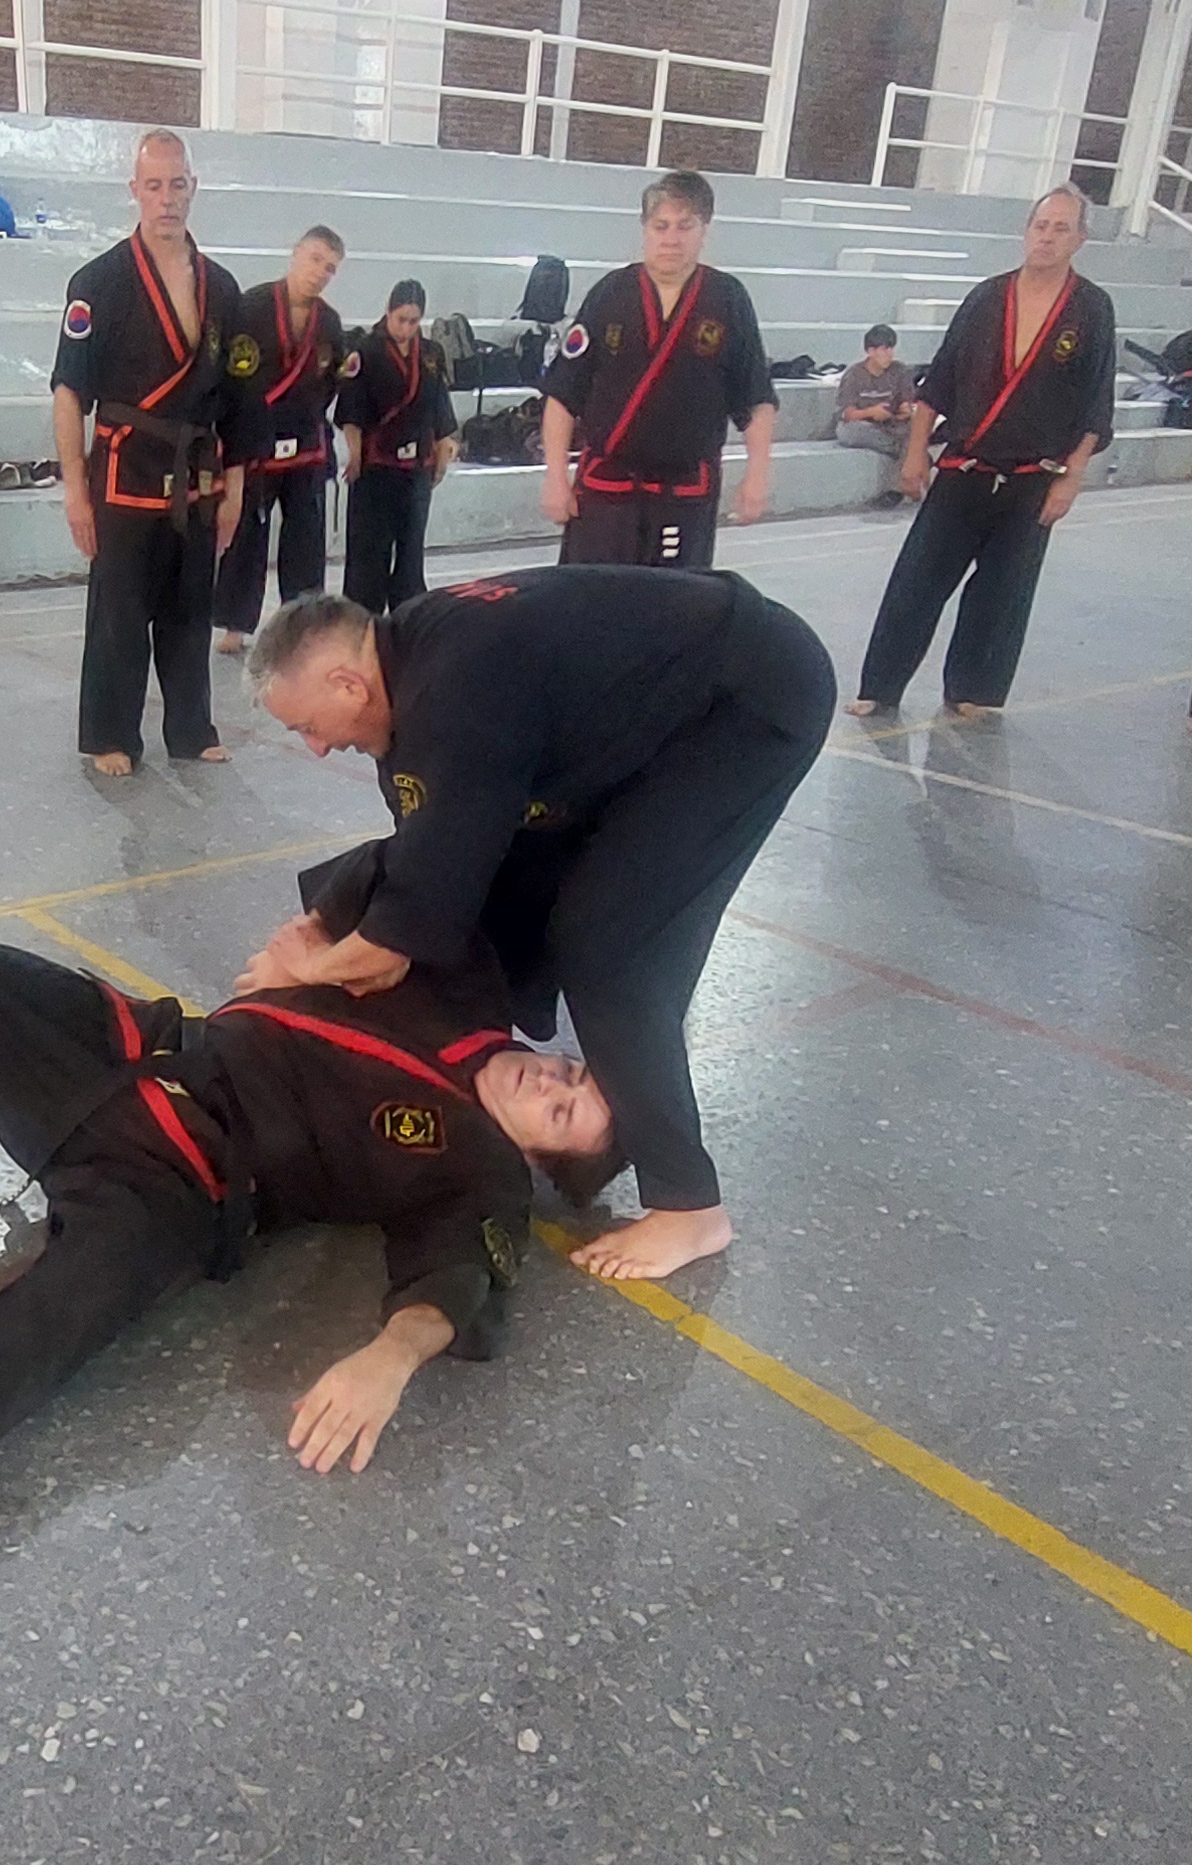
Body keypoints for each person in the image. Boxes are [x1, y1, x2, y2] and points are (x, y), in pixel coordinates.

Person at [0, 933, 617, 1601]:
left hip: (184, 1173)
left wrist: (390, 1357)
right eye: (571, 1074)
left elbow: (459, 1274)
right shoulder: (458, 999)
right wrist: (314, 943)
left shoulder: (482, 1173)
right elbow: (401, 884)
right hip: (137, 1048)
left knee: (76, 1301)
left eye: (563, 1116)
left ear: (537, 1163)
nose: (551, 1084)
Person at [241, 571, 835, 1281]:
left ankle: (690, 1205)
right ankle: (581, 1064)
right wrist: (321, 928)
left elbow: (409, 925)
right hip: (660, 712)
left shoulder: (454, 700)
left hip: (746, 703)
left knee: (609, 948)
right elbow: (420, 862)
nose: (313, 748)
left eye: (306, 727)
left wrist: (306, 970)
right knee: (511, 881)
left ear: (347, 685)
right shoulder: (413, 672)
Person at [849, 186, 1115, 726]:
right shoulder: (987, 299)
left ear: (1080, 239)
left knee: (1003, 592)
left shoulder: (1091, 309)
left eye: (1061, 228)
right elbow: (939, 381)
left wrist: (1071, 479)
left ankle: (975, 691)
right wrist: (915, 455)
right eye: (1041, 225)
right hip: (964, 466)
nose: (1047, 237)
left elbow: (1096, 401)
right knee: (915, 582)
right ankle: (880, 686)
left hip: (1035, 477)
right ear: (1026, 230)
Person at [51, 130, 245, 775]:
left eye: (177, 184)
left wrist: (235, 488)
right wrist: (74, 489)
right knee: (120, 614)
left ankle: (190, 729)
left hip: (197, 475)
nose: (167, 198)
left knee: (191, 609)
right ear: (135, 190)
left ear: (194, 188)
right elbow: (69, 393)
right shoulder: (99, 282)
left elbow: (240, 399)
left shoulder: (222, 288)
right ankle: (110, 734)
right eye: (154, 185)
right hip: (124, 469)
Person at [540, 169, 776, 570]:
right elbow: (563, 394)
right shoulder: (610, 293)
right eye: (661, 226)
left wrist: (757, 476)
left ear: (705, 230)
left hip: (685, 492)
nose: (671, 239)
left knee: (676, 602)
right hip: (606, 489)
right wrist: (555, 477)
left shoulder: (727, 298)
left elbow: (755, 397)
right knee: (592, 601)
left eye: (685, 226)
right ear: (644, 229)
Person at [214, 225, 347, 652]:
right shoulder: (251, 307)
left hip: (306, 444)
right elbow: (233, 377)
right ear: (295, 254)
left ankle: (303, 626)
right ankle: (235, 626)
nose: (320, 273)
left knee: (305, 540)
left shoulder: (330, 322)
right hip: (257, 440)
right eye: (315, 260)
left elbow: (331, 381)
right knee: (248, 537)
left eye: (330, 268)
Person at [337, 280, 459, 611]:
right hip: (376, 466)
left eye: (413, 321)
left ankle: (408, 617)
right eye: (401, 319)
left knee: (411, 552)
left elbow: (440, 405)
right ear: (388, 312)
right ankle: (364, 620)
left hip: (417, 466)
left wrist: (443, 447)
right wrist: (355, 454)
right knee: (369, 553)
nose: (406, 328)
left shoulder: (431, 353)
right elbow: (351, 410)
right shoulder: (364, 351)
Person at [830, 324, 915, 497]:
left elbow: (908, 401)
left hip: (893, 425)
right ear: (870, 351)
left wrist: (905, 409)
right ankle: (904, 450)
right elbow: (846, 414)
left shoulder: (900, 370)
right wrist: (871, 412)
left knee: (915, 426)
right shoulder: (854, 374)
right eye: (884, 349)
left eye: (891, 348)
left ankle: (896, 489)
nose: (889, 354)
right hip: (864, 425)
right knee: (850, 432)